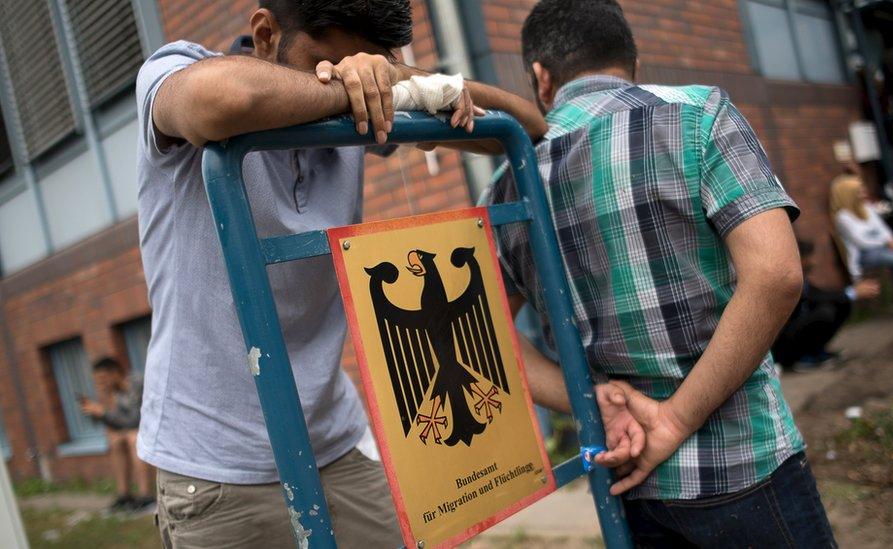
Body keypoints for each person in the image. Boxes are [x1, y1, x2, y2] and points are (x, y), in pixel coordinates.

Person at [135, 1, 546, 547]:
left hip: (334, 440)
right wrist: (355, 90)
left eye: (368, 67)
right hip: (217, 467)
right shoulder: (178, 68)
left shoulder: (367, 93)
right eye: (327, 61)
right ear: (265, 33)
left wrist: (404, 82)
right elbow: (221, 101)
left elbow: (526, 129)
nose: (347, 77)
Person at [482, 1, 835, 545]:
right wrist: (674, 420)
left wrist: (589, 400)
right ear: (633, 61)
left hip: (623, 478)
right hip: (745, 462)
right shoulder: (699, 114)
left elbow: (487, 339)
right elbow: (777, 276)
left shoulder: (508, 183)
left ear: (540, 78)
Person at [772, 241, 880, 371]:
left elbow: (818, 294)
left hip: (792, 332)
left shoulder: (802, 279)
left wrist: (850, 294)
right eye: (809, 257)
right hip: (780, 344)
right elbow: (814, 297)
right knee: (825, 312)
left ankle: (815, 351)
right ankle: (798, 358)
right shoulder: (785, 281)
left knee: (841, 305)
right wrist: (852, 292)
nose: (813, 262)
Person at [831, 175, 893, 299]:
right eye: (859, 191)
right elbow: (862, 242)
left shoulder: (866, 208)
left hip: (883, 246)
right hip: (866, 254)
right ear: (849, 194)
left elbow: (883, 228)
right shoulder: (843, 217)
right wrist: (886, 242)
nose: (863, 193)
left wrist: (891, 239)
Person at [80, 358, 154, 512]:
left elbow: (135, 420)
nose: (101, 384)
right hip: (140, 429)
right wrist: (99, 412)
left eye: (103, 379)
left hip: (159, 427)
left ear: (114, 373)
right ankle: (124, 495)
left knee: (133, 438)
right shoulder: (117, 393)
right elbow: (117, 424)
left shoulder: (136, 383)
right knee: (115, 440)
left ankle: (146, 496)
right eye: (97, 381)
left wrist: (103, 412)